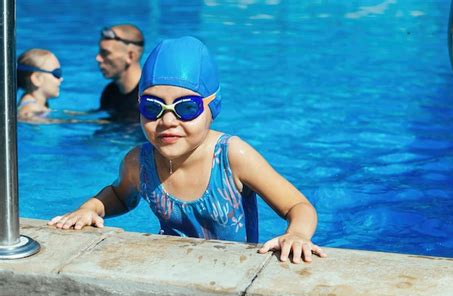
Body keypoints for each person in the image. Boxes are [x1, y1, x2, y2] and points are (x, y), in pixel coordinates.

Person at [48, 36, 326, 264]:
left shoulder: (231, 156)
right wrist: (90, 208)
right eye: (152, 107)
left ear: (212, 108)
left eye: (186, 108)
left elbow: (297, 206)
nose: (167, 121)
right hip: (171, 266)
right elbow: (121, 197)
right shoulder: (139, 162)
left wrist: (298, 234)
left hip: (234, 271)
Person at [96, 24, 144, 123]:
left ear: (130, 56)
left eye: (105, 53)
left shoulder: (148, 97)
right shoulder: (110, 92)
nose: (98, 58)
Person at [17, 48, 63, 122]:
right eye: (57, 74)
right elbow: (25, 115)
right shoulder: (31, 108)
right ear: (37, 79)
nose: (61, 79)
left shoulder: (39, 104)